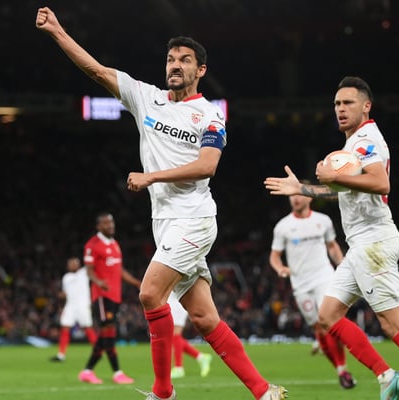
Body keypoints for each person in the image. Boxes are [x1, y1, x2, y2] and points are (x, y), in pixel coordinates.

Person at [36, 8, 287, 400]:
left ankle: (163, 393)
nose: (175, 65)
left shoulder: (209, 114)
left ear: (200, 70)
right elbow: (97, 71)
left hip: (194, 218)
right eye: (171, 59)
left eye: (185, 60)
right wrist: (56, 31)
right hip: (165, 222)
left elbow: (207, 166)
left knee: (150, 294)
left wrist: (150, 177)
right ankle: (263, 391)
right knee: (204, 318)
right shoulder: (146, 98)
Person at [264, 76, 399, 400]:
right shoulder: (352, 144)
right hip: (360, 244)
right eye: (337, 104)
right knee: (328, 315)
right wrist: (302, 188)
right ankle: (387, 377)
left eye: (348, 103)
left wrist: (334, 175)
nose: (340, 109)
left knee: (394, 325)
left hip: (374, 242)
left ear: (366, 106)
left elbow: (381, 182)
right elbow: (342, 190)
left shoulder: (366, 140)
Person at [269, 189, 356, 389]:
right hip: (300, 284)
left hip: (323, 277)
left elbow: (332, 245)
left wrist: (343, 264)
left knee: (330, 322)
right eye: (292, 195)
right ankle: (339, 369)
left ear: (309, 197)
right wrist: (280, 268)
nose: (295, 198)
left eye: (299, 194)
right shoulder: (283, 226)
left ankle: (343, 370)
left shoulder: (323, 220)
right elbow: (274, 256)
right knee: (318, 328)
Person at [78, 213, 142, 385]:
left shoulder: (114, 244)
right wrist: (99, 282)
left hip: (115, 295)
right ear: (98, 226)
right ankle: (117, 373)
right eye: (106, 223)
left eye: (111, 222)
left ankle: (87, 371)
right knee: (109, 332)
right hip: (101, 296)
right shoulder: (92, 245)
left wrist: (136, 282)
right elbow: (89, 269)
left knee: (106, 335)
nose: (110, 225)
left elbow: (119, 269)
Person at [50, 257, 98, 362]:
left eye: (73, 263)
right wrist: (60, 295)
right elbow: (65, 293)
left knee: (87, 328)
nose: (71, 265)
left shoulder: (84, 272)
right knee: (65, 327)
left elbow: (92, 264)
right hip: (70, 306)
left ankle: (98, 351)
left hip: (83, 305)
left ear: (78, 264)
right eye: (70, 264)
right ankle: (61, 355)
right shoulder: (66, 277)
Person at [168, 291, 213, 379]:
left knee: (175, 335)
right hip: (172, 300)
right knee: (174, 337)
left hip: (177, 301)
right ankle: (201, 357)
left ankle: (178, 368)